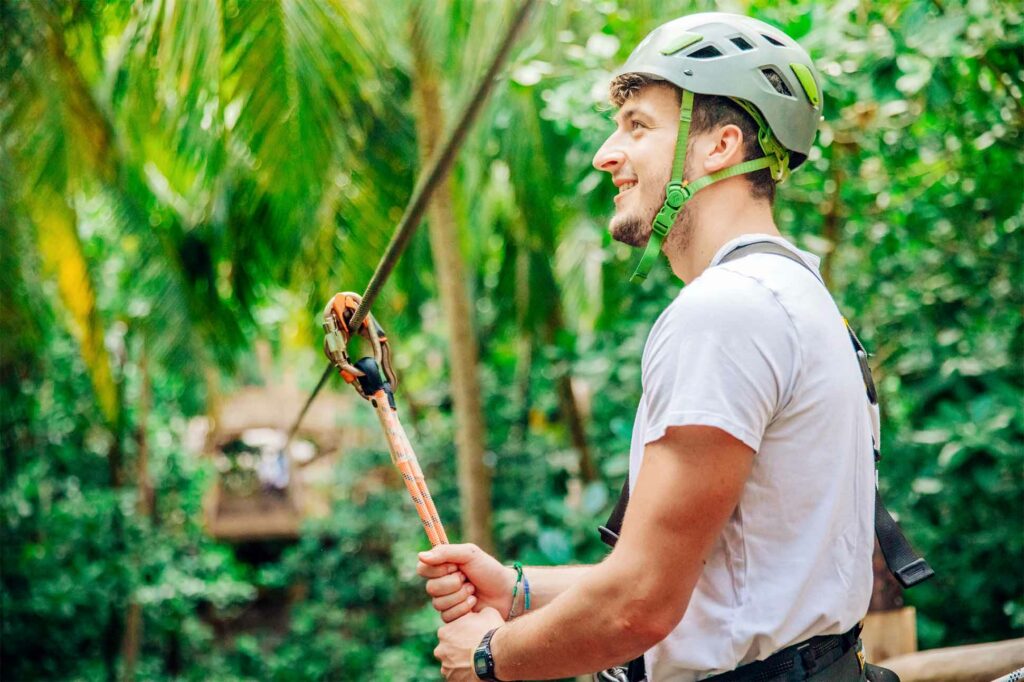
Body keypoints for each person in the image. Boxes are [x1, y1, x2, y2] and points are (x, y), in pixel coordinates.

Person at [418, 13, 879, 681]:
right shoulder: (795, 292)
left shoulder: (725, 311)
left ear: (719, 147)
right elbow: (723, 582)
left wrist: (491, 658)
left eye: (638, 126)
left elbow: (640, 606)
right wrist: (515, 590)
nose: (608, 152)